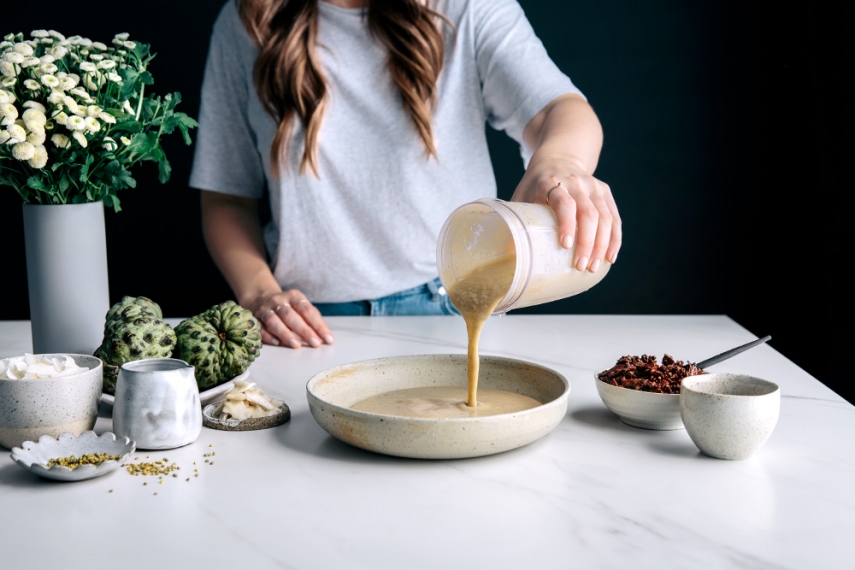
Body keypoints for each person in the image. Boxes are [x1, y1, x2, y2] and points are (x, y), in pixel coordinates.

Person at [189, 0, 622, 349]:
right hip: (307, 323)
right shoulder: (247, 20)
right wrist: (259, 292)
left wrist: (560, 163)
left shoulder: (465, 8)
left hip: (456, 302)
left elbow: (557, 109)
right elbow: (226, 198)